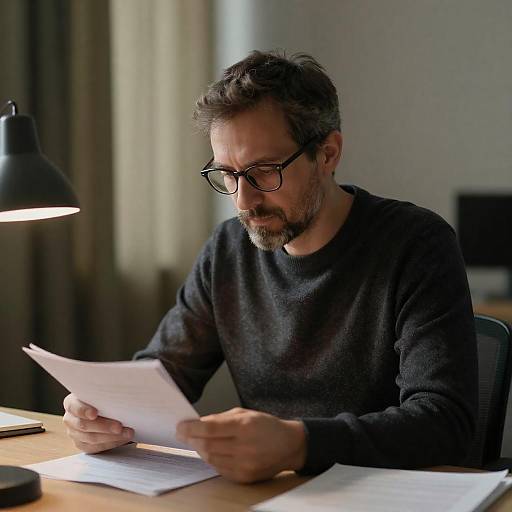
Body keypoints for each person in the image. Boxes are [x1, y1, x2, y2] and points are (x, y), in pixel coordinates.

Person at [63, 50, 478, 483]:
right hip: (267, 495)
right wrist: (103, 413)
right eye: (228, 173)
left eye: (263, 171)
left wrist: (299, 444)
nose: (243, 201)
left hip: (389, 493)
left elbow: (444, 421)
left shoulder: (416, 244)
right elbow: (162, 376)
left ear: (328, 153)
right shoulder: (227, 251)